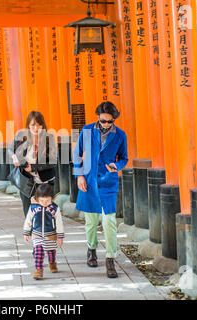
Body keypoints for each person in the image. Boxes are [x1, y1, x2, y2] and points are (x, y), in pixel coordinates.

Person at [73, 101, 128, 278]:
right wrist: (79, 175)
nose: (106, 125)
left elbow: (124, 158)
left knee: (109, 221)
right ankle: (91, 249)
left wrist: (117, 165)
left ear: (114, 119)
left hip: (108, 182)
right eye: (103, 121)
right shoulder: (87, 131)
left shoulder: (120, 135)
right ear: (98, 117)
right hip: (88, 180)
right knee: (91, 221)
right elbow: (77, 153)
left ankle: (110, 259)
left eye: (109, 121)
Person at [8, 111, 57, 217]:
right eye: (33, 125)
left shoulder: (49, 138)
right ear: (28, 126)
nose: (36, 128)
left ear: (43, 126)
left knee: (45, 215)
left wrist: (34, 167)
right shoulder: (21, 137)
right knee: (29, 215)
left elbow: (54, 161)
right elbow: (10, 149)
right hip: (26, 183)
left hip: (45, 183)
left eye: (39, 125)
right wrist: (14, 157)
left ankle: (44, 233)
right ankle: (29, 234)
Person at [23, 184, 64, 280]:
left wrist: (60, 236)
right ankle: (38, 270)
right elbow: (28, 220)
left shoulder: (55, 208)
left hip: (50, 235)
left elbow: (59, 223)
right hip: (37, 234)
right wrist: (26, 232)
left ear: (52, 198)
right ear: (37, 198)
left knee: (51, 251)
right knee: (38, 252)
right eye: (42, 200)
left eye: (47, 201)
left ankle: (52, 263)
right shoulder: (33, 208)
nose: (45, 203)